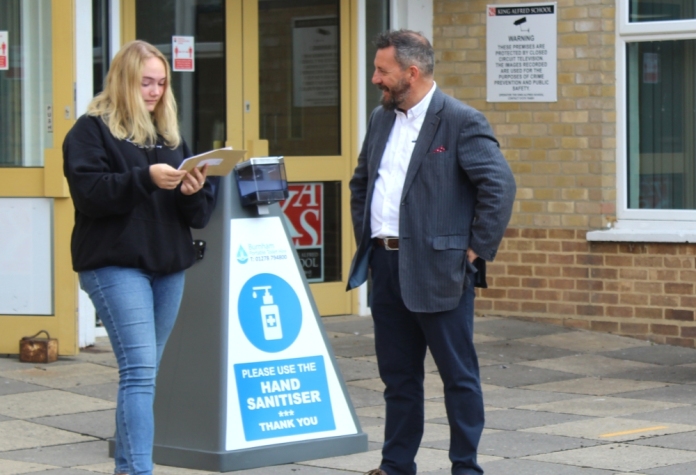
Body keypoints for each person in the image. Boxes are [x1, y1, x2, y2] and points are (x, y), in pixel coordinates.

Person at [347, 30, 516, 475]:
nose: (375, 78)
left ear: (411, 72)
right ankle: (396, 465)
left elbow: (498, 187)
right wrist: (367, 235)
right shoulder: (381, 119)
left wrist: (477, 250)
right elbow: (362, 182)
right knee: (398, 378)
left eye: (382, 70)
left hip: (440, 269)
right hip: (386, 265)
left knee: (458, 377)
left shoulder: (461, 120)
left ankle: (466, 467)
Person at [63, 40, 216, 475]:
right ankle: (136, 470)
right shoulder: (91, 131)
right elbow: (91, 195)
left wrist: (193, 191)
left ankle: (129, 468)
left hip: (167, 265)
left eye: (161, 82)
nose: (154, 91)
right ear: (123, 81)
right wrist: (145, 178)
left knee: (142, 374)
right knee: (140, 372)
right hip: (113, 264)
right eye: (145, 82)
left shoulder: (169, 134)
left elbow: (197, 215)